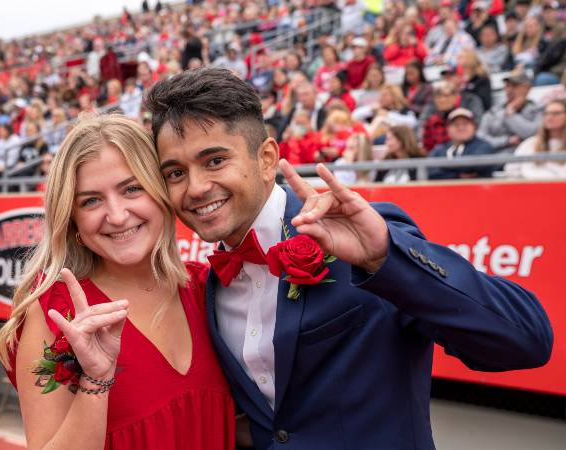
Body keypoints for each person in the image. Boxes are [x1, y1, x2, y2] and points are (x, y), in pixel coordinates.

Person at [145, 67, 552, 450]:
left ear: (267, 159)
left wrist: (387, 260)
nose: (195, 187)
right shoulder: (207, 285)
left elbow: (527, 343)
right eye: (175, 173)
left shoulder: (364, 237)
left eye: (215, 161)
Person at [0, 115, 235, 449]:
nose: (117, 215)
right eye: (91, 200)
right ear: (72, 219)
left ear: (161, 192)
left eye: (132, 189)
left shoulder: (206, 287)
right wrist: (95, 382)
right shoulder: (54, 314)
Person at [478, 72, 543, 152]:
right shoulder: (493, 112)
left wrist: (511, 115)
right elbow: (480, 139)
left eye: (515, 86)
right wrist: (507, 140)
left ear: (527, 88)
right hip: (495, 157)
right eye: (507, 86)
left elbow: (532, 133)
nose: (509, 90)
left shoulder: (539, 110)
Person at [428, 108, 497, 179]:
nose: (461, 128)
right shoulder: (440, 149)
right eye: (456, 125)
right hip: (444, 189)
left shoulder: (484, 146)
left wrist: (443, 169)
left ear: (474, 127)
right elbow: (428, 169)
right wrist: (456, 176)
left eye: (465, 124)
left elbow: (474, 166)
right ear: (448, 129)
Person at [506, 98, 566, 179]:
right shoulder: (529, 143)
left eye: (556, 113)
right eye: (546, 113)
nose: (550, 117)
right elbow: (511, 170)